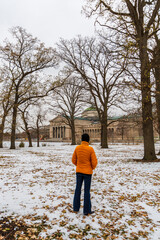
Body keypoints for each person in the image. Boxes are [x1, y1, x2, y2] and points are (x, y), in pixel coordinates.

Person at [72, 133, 98, 215]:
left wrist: (79, 165)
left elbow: (73, 160)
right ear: (88, 140)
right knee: (87, 191)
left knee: (77, 189)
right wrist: (90, 168)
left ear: (81, 140)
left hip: (79, 171)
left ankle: (76, 208)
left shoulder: (77, 148)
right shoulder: (90, 149)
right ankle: (86, 210)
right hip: (87, 172)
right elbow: (94, 162)